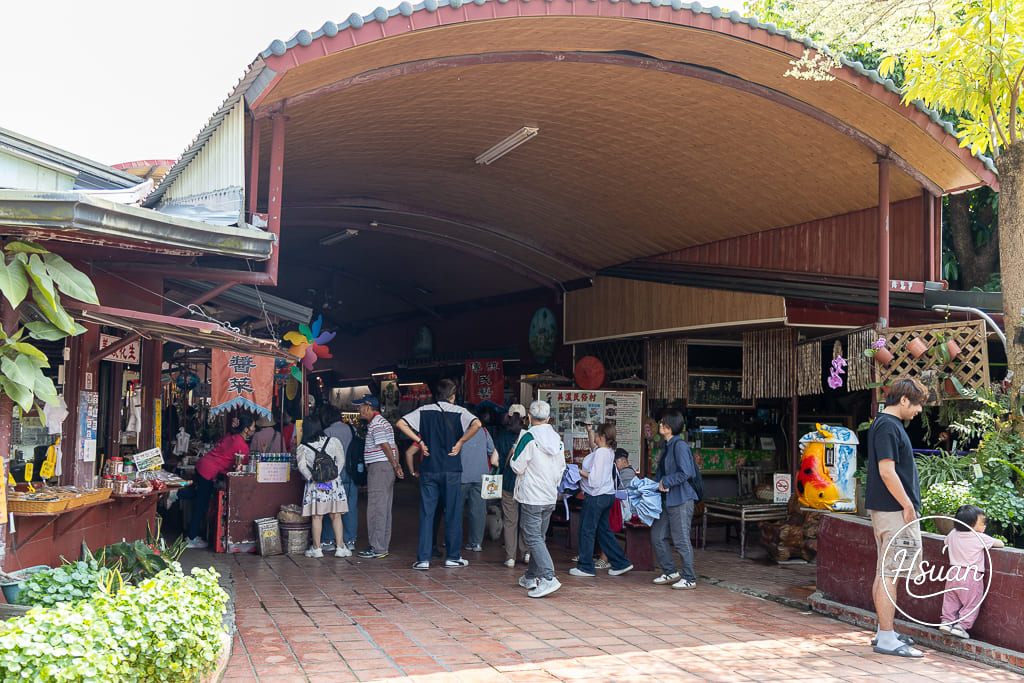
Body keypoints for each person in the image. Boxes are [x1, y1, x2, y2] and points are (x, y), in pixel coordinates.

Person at [866, 376, 928, 658]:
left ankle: (884, 631)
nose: (919, 411)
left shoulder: (884, 424)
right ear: (904, 400)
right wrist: (907, 505)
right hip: (894, 511)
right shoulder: (888, 427)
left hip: (888, 510)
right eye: (917, 405)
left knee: (885, 571)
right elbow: (887, 471)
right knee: (891, 573)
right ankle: (888, 637)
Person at [397, 379, 481, 570]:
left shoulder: (424, 411)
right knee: (452, 512)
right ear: (453, 396)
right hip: (451, 469)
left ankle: (423, 559)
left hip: (429, 469)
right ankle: (452, 556)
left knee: (427, 513)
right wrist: (460, 442)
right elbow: (477, 424)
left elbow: (400, 423)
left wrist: (419, 440)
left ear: (436, 395)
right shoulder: (459, 411)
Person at [511, 400, 566, 598]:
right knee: (538, 538)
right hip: (549, 495)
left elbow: (517, 466)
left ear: (529, 418)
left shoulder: (528, 437)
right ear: (549, 418)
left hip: (532, 495)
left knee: (533, 537)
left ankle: (549, 578)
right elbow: (561, 468)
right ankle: (530, 576)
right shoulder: (557, 439)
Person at [569, 423, 632, 578]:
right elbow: (593, 446)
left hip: (596, 496)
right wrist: (589, 431)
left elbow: (594, 479)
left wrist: (576, 471)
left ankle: (585, 567)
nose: (595, 437)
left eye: (596, 434)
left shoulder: (601, 454)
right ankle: (621, 562)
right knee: (603, 531)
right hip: (607, 496)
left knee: (586, 530)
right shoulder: (607, 451)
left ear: (602, 437)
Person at [186, 413, 255, 549]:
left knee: (200, 496)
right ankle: (191, 538)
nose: (254, 429)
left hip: (203, 465)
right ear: (246, 429)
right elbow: (239, 468)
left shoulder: (230, 436)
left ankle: (176, 495)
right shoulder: (242, 446)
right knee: (201, 504)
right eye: (253, 427)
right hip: (208, 471)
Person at [650, 410, 699, 589]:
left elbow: (687, 472)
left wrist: (666, 481)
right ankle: (670, 571)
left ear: (670, 427)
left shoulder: (679, 446)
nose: (660, 425)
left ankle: (689, 578)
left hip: (681, 499)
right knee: (657, 535)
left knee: (681, 540)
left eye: (663, 422)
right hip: (667, 499)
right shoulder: (668, 445)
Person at [940, 504, 1004, 639]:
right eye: (982, 521)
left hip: (953, 573)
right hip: (971, 575)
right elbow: (1000, 544)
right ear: (972, 524)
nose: (985, 524)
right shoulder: (980, 537)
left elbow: (946, 542)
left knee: (950, 600)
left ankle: (946, 621)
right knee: (972, 603)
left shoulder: (953, 534)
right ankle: (961, 626)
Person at [353, 394, 402, 559]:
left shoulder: (377, 424)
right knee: (384, 508)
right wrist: (396, 465)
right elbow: (394, 445)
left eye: (360, 407)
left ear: (367, 407)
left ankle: (377, 547)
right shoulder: (384, 422)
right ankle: (381, 545)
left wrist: (395, 465)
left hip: (380, 469)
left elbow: (386, 445)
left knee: (376, 508)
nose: (358, 410)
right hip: (385, 468)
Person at [295, 415, 349, 558]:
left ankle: (317, 549)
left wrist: (312, 477)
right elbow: (341, 459)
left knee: (317, 517)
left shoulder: (303, 447)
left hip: (316, 485)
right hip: (333, 484)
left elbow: (301, 466)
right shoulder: (333, 442)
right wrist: (333, 475)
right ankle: (340, 548)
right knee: (336, 516)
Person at [491, 404, 529, 567]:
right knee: (526, 519)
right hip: (526, 484)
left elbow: (494, 460)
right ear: (525, 418)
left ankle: (510, 557)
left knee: (510, 520)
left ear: (508, 417)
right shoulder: (529, 436)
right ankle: (526, 553)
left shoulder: (501, 437)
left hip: (507, 483)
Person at [460, 406, 497, 552]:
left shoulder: (459, 431)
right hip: (481, 476)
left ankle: (450, 539)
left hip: (461, 476)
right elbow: (492, 452)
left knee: (456, 509)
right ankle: (476, 543)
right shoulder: (483, 431)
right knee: (478, 511)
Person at [320, 404, 357, 553]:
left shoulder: (326, 432)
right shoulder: (351, 429)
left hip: (331, 476)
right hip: (350, 473)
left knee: (329, 507)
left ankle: (329, 540)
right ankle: (349, 540)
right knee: (350, 507)